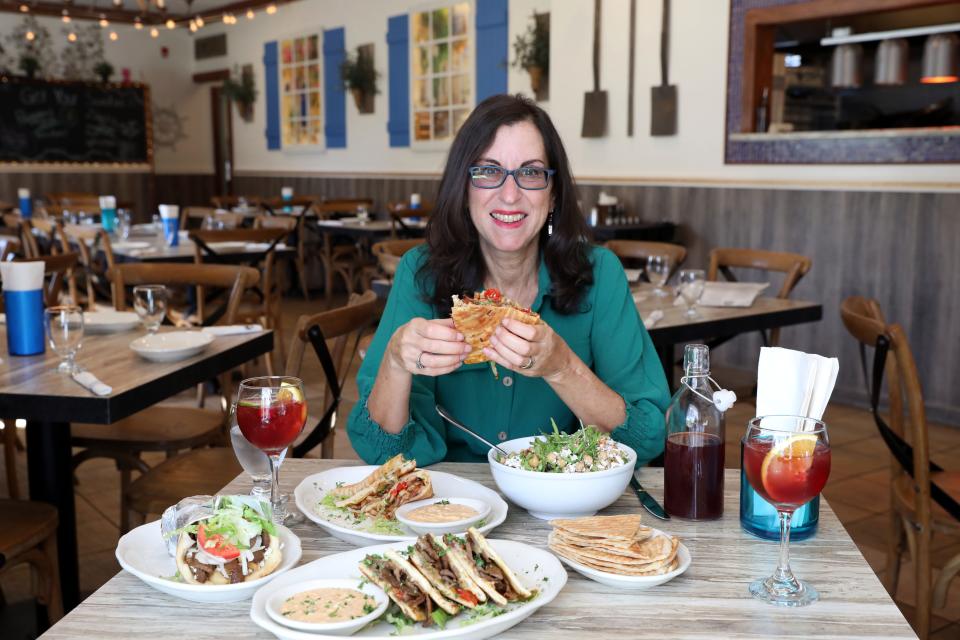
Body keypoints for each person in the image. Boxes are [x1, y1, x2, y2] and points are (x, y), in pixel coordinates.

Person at [347, 94, 669, 466]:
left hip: (562, 507)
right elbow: (380, 451)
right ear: (464, 188)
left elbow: (648, 436)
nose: (510, 194)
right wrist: (396, 362)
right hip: (450, 507)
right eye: (488, 171)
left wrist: (561, 366)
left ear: (553, 195)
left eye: (531, 173)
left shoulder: (600, 275)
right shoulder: (421, 274)